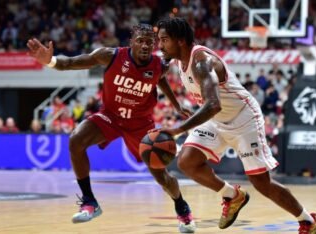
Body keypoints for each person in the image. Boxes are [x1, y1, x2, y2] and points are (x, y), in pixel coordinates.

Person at [155, 17, 316, 234]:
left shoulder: (202, 62)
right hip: (216, 121)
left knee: (261, 182)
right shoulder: (176, 58)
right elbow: (156, 73)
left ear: (180, 41)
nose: (160, 45)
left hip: (244, 119)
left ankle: (308, 221)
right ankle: (232, 196)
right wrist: (176, 105)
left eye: (164, 40)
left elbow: (213, 105)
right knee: (187, 162)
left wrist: (179, 128)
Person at [27, 24, 196, 233]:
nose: (145, 45)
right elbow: (70, 63)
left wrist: (176, 104)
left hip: (140, 123)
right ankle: (89, 201)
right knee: (75, 140)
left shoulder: (159, 65)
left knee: (161, 176)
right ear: (131, 42)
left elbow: (160, 80)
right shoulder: (108, 56)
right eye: (141, 41)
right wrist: (50, 61)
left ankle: (182, 208)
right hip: (110, 116)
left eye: (149, 42)